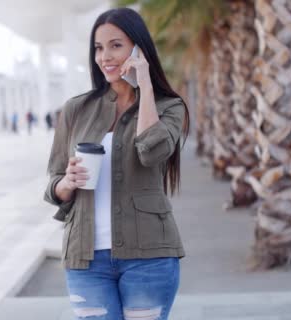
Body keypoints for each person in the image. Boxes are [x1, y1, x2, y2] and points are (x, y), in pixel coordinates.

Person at [43, 8, 189, 320]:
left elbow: (152, 151)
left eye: (116, 45)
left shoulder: (170, 107)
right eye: (98, 47)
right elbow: (54, 183)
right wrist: (67, 182)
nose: (105, 56)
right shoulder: (76, 110)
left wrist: (145, 85)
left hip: (148, 257)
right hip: (86, 261)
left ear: (138, 49)